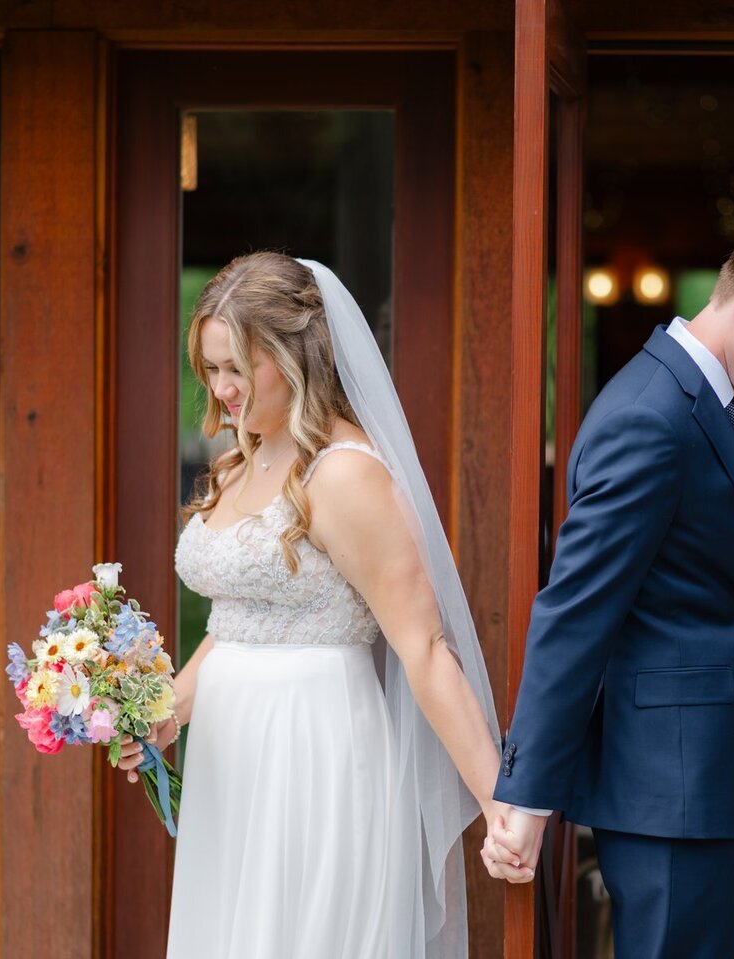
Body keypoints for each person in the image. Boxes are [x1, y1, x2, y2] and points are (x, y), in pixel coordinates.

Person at [116, 253, 525, 958]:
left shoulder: (345, 475)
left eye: (238, 367)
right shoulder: (246, 457)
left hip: (315, 754)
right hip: (229, 762)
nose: (223, 388)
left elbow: (424, 647)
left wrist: (498, 803)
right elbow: (241, 622)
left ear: (296, 353)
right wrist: (170, 706)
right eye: (211, 369)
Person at [484, 216, 734, 957]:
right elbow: (576, 609)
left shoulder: (700, 399)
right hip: (665, 784)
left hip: (691, 780)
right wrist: (526, 793)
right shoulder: (651, 415)